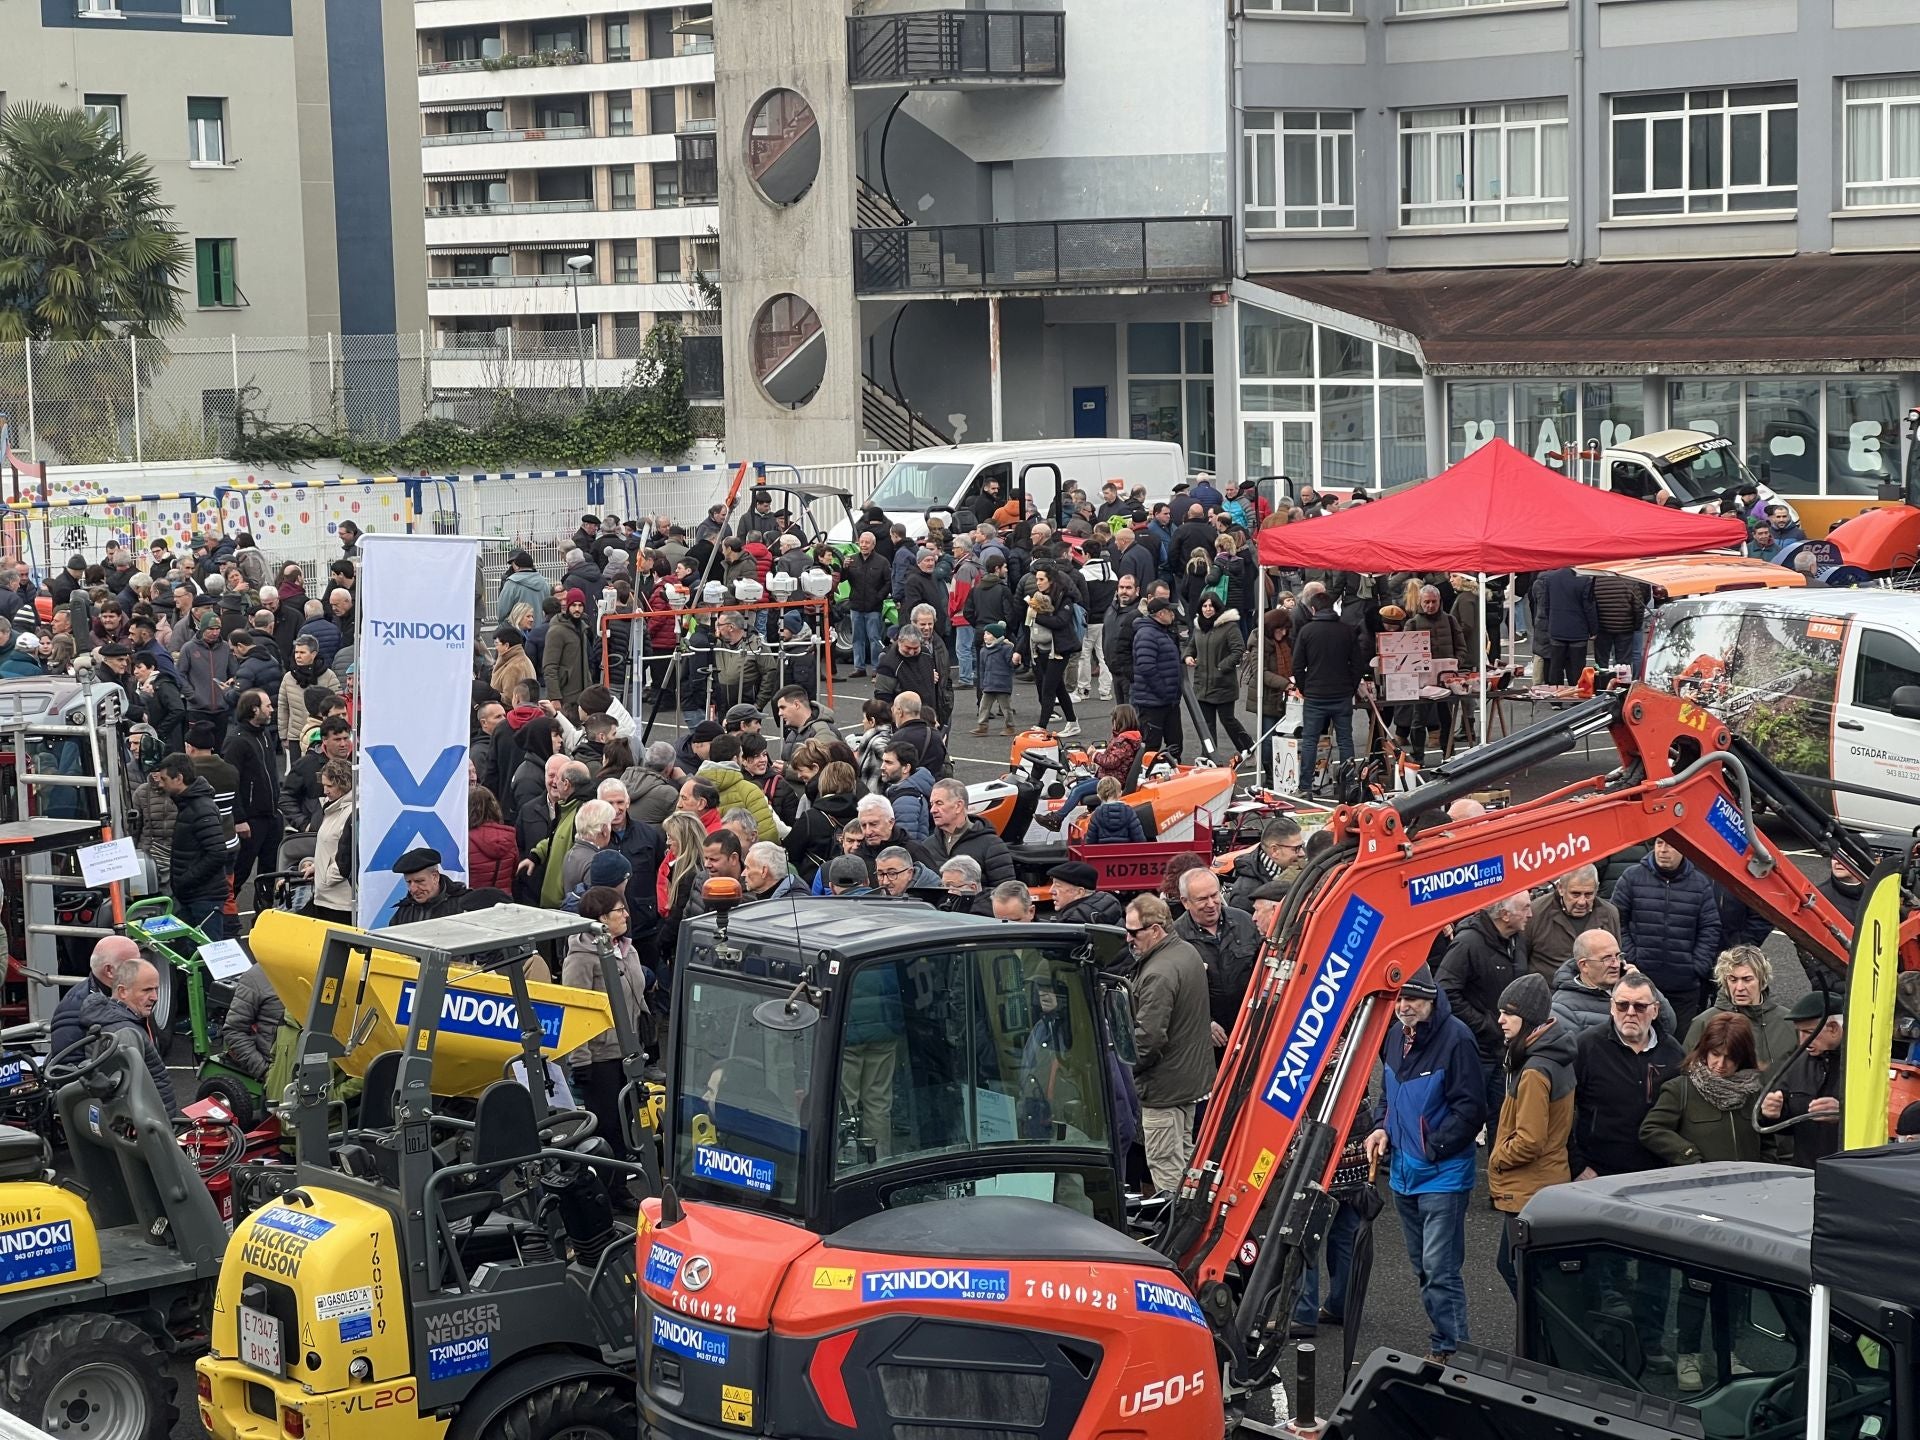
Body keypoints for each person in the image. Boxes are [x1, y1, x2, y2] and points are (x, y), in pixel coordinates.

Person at [1641, 1011, 1773, 1393]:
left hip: (1745, 1207)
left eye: (1729, 1057)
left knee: (1735, 1285)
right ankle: (1688, 1355)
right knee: (1696, 1285)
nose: (1719, 1064)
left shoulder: (1754, 1092)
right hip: (1699, 1206)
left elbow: (1768, 1143)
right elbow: (1651, 1129)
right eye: (1713, 1054)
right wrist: (1689, 1157)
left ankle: (1725, 1351)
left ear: (1742, 1057)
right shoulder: (1683, 1089)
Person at [1364, 965, 1484, 1363]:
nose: (1404, 1006)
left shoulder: (1458, 1040)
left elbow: (1471, 1109)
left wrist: (1432, 1147)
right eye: (1399, 998)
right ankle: (1447, 1341)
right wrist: (1382, 1127)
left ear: (1431, 998)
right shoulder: (1396, 1035)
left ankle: (1453, 1349)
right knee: (1423, 1267)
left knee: (1440, 1268)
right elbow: (1389, 1091)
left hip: (1443, 1176)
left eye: (1412, 998)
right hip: (1402, 1175)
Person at [1488, 974, 1574, 1295]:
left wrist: (1496, 1158)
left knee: (1516, 1269)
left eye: (1508, 1013)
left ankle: (1539, 1341)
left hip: (1529, 1188)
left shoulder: (1535, 1071)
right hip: (1546, 1181)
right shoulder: (1553, 1055)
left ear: (1528, 1018)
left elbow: (1529, 1141)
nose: (1500, 1020)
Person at [1125, 895, 1211, 1194]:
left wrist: (1127, 1070)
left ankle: (1176, 1233)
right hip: (1189, 1081)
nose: (1129, 939)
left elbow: (1147, 1040)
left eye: (1134, 932)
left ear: (1156, 930)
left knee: (1166, 1167)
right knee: (1185, 1158)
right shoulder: (1185, 952)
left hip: (1164, 1089)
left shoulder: (1158, 973)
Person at [1569, 971, 1684, 1180]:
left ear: (1655, 1010)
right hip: (1598, 1174)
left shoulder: (1673, 1052)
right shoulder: (1586, 1046)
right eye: (1622, 1005)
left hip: (1657, 1173)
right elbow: (1561, 1112)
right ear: (1612, 1007)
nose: (1630, 1012)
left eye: (1640, 1006)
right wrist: (1577, 1166)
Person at [563, 887, 651, 1157]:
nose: (626, 914)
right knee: (608, 1126)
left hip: (629, 1051)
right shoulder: (580, 959)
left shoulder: (627, 948)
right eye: (619, 910)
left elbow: (637, 993)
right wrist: (580, 1060)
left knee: (629, 1119)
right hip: (601, 1058)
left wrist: (647, 1034)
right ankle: (611, 1188)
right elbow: (575, 1010)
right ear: (602, 919)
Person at [1436, 893, 1532, 1133]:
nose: (1531, 914)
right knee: (1468, 1119)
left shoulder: (1517, 939)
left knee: (1503, 1122)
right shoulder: (1468, 943)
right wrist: (1486, 1024)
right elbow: (1445, 990)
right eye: (1525, 908)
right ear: (1504, 914)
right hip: (1479, 1052)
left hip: (1508, 1050)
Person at [1611, 835, 1722, 1035]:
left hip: (1683, 986)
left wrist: (1697, 966)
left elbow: (1710, 927)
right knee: (1636, 1040)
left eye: (1670, 844)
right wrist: (1631, 958)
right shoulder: (1631, 878)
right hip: (1640, 983)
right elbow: (1616, 920)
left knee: (1677, 1048)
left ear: (1683, 849)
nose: (1663, 850)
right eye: (1659, 843)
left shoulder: (1700, 884)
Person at [1173, 865, 1262, 1058]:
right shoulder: (1175, 939)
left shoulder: (1245, 922)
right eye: (1202, 899)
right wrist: (1204, 1022)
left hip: (1250, 1028)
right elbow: (1174, 995)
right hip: (1206, 1044)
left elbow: (1263, 969)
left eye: (1214, 895)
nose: (1212, 904)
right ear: (1185, 902)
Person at [75, 955, 176, 1113]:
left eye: (156, 989)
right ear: (122, 991)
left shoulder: (115, 1021)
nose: (155, 997)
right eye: (147, 990)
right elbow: (126, 1094)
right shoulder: (125, 1033)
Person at [1292, 589, 1367, 794]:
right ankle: (1349, 784)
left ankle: (1305, 786)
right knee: (1345, 740)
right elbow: (1357, 664)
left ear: (1313, 608)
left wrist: (1304, 687)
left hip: (1315, 694)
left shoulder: (1306, 631)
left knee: (1310, 741)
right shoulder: (1347, 630)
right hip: (1342, 693)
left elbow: (1298, 665)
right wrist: (1351, 686)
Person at [1761, 991, 1845, 1167]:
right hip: (1806, 1170)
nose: (1802, 1041)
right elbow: (1788, 1125)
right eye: (1799, 1032)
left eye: (1808, 1032)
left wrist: (1845, 1114)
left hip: (1850, 1171)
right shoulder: (1797, 1064)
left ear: (1834, 1029)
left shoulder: (1863, 1064)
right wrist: (1772, 1113)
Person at [152, 752, 230, 936]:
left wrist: (186, 880)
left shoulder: (201, 808)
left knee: (206, 954)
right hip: (193, 895)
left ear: (179, 778)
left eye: (164, 779)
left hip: (203, 897)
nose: (160, 784)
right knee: (192, 951)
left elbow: (217, 853)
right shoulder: (190, 805)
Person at [50, 935, 142, 1059]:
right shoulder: (73, 1009)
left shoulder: (132, 993)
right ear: (109, 971)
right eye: (134, 966)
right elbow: (66, 1066)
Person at [1524, 865, 1620, 980]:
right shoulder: (1536, 912)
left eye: (1589, 894)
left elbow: (1617, 957)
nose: (1582, 902)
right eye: (1575, 894)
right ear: (1560, 888)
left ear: (1597, 889)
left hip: (1595, 993)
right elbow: (1521, 960)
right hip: (1550, 993)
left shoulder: (1610, 913)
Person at [1187, 591, 1253, 759]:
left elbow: (1238, 649)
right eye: (1204, 606)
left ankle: (1248, 748)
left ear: (1217, 607)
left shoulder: (1229, 626)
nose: (1207, 609)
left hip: (1223, 684)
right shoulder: (1198, 627)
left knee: (1228, 720)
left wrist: (1222, 667)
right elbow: (1191, 646)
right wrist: (1187, 656)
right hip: (1202, 684)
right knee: (1206, 725)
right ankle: (1209, 756)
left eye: (1211, 606)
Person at [926, 778, 1014, 888]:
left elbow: (1005, 893)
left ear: (958, 806)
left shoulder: (991, 845)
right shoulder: (927, 846)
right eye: (932, 804)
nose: (932, 810)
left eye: (939, 803)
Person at [1131, 597, 1185, 759]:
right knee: (1150, 747)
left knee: (1175, 744)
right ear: (1161, 614)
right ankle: (1146, 779)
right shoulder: (1147, 634)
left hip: (1167, 701)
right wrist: (1164, 692)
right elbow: (1146, 667)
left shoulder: (1162, 631)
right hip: (1153, 703)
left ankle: (1173, 776)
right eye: (1170, 611)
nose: (1173, 615)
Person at [1530, 564, 1598, 685]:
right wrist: (1593, 629)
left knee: (1556, 666)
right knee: (1577, 667)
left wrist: (1551, 620)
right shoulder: (1584, 580)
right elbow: (1589, 607)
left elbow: (1546, 604)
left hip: (1556, 629)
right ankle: (1576, 695)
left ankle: (1556, 699)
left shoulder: (1551, 578)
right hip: (1578, 630)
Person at [221, 964, 286, 1081]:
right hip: (277, 1071)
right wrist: (265, 1072)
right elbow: (234, 1031)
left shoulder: (322, 968)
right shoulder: (257, 977)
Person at [1227, 816, 1305, 911]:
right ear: (1275, 850)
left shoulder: (1294, 871)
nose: (1302, 853)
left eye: (1302, 846)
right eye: (1296, 848)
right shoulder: (1245, 892)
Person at [390, 846, 469, 926]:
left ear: (435, 877)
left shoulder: (464, 905)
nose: (413, 889)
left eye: (419, 881)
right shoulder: (403, 911)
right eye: (409, 882)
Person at [971, 621, 1017, 736]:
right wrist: (982, 683)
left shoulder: (1006, 649)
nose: (985, 636)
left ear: (996, 635)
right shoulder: (983, 650)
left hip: (1002, 684)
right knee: (983, 706)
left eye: (988, 633)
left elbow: (1011, 665)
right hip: (989, 684)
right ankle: (982, 726)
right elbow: (981, 669)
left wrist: (1014, 657)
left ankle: (1010, 727)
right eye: (985, 633)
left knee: (1006, 708)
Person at [1046, 860, 1123, 926]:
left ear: (1080, 892)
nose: (1051, 891)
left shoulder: (1073, 922)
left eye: (1058, 885)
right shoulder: (1108, 907)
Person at [1081, 776, 1144, 844]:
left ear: (1099, 796)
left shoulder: (1097, 814)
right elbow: (1139, 839)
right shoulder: (1129, 812)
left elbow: (1090, 841)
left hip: (1103, 853)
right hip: (1125, 853)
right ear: (1120, 793)